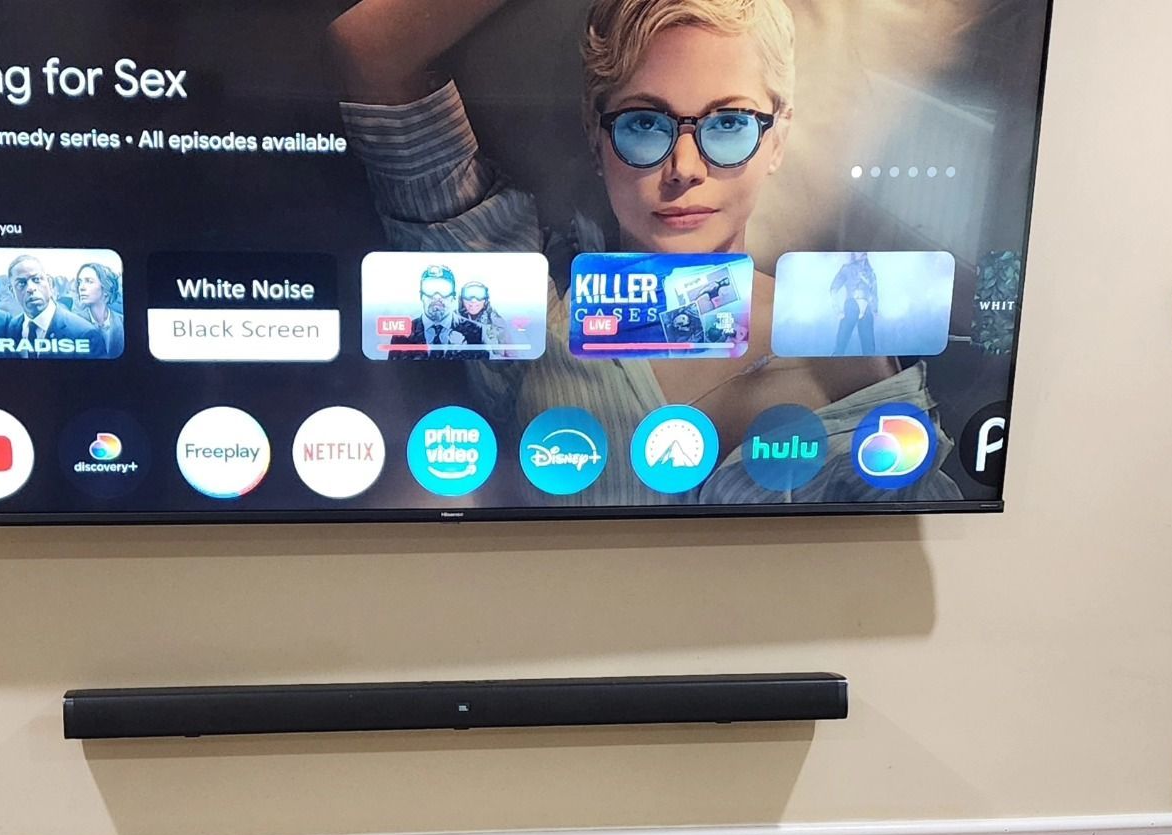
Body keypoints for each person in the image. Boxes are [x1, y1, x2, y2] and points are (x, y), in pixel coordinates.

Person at [329, 0, 962, 504]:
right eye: (643, 123)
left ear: (777, 139)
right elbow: (372, 49)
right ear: (594, 132)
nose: (684, 167)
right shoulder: (523, 308)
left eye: (728, 123)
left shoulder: (848, 342)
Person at [5, 254, 107, 358]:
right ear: (12, 291)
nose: (30, 288)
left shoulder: (85, 334)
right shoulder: (12, 327)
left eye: (36, 279)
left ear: (49, 283)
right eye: (21, 283)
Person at [389, 264, 484, 357]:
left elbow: (481, 365)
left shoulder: (475, 331)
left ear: (453, 296)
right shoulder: (401, 335)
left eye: (444, 290)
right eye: (430, 289)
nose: (437, 297)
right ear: (421, 295)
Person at [74, 261, 126, 358]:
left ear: (105, 288)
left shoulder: (123, 321)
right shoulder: (74, 323)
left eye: (89, 281)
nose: (81, 288)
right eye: (80, 282)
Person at [831, 252, 879, 357]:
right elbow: (834, 289)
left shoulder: (871, 272)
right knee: (840, 345)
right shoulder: (846, 269)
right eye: (859, 251)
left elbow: (874, 293)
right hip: (851, 306)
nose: (863, 252)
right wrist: (837, 310)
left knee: (869, 349)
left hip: (866, 309)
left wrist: (875, 310)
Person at [459, 280, 514, 357]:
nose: (473, 300)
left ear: (485, 300)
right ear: (462, 299)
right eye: (468, 295)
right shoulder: (453, 321)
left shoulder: (497, 322)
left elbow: (511, 355)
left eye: (479, 295)